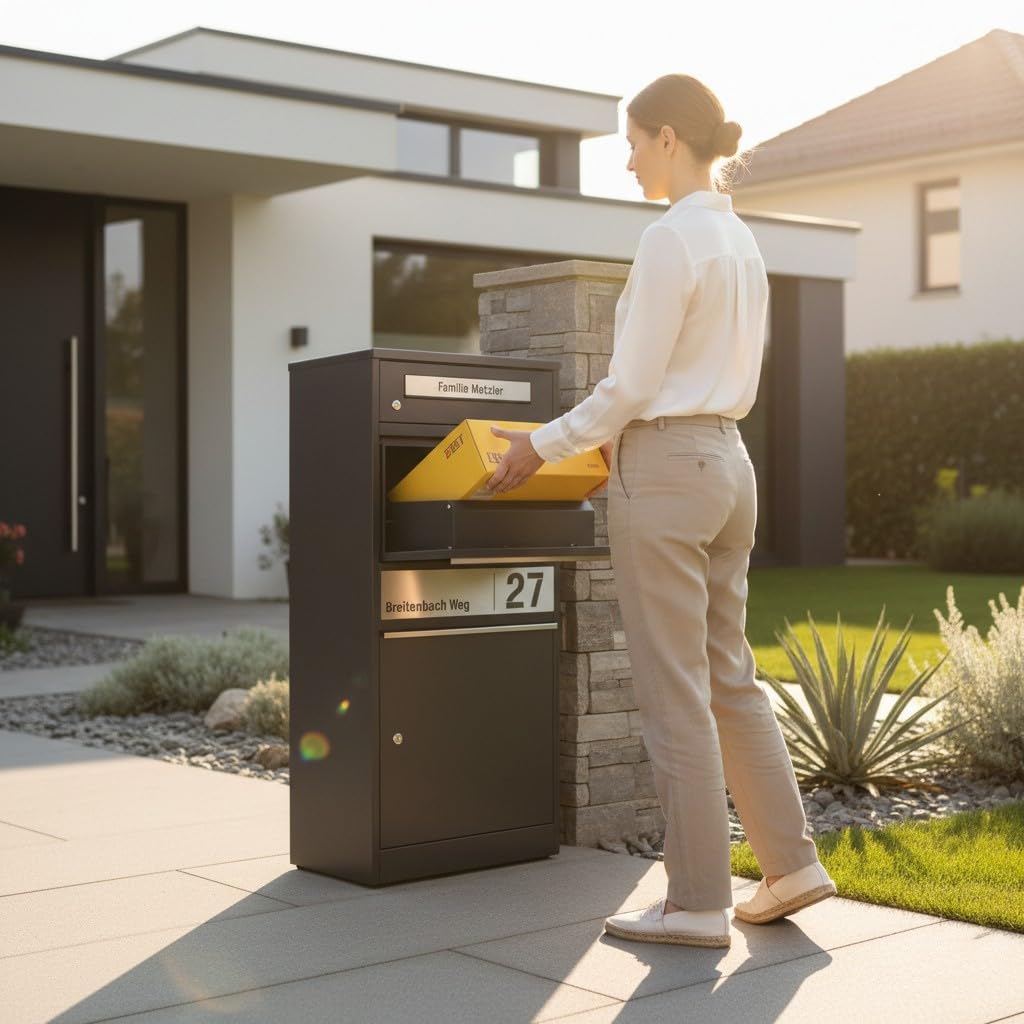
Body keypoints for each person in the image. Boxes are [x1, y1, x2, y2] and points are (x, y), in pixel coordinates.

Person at [486, 73, 837, 948]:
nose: (629, 155)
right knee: (728, 676)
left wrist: (542, 444)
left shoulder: (670, 239)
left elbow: (632, 385)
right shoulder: (741, 242)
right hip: (728, 464)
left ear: (672, 138)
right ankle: (792, 867)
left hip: (668, 466)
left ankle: (695, 904)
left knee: (675, 690)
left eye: (634, 139)